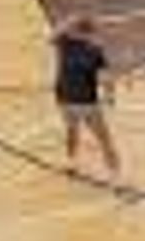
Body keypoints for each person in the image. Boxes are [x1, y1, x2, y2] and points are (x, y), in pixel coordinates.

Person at [52, 15, 121, 176]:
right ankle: (111, 171)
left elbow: (105, 76)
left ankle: (76, 164)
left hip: (70, 98)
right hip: (78, 100)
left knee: (79, 132)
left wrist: (109, 93)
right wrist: (110, 95)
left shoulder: (68, 44)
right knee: (98, 136)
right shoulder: (73, 45)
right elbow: (106, 77)